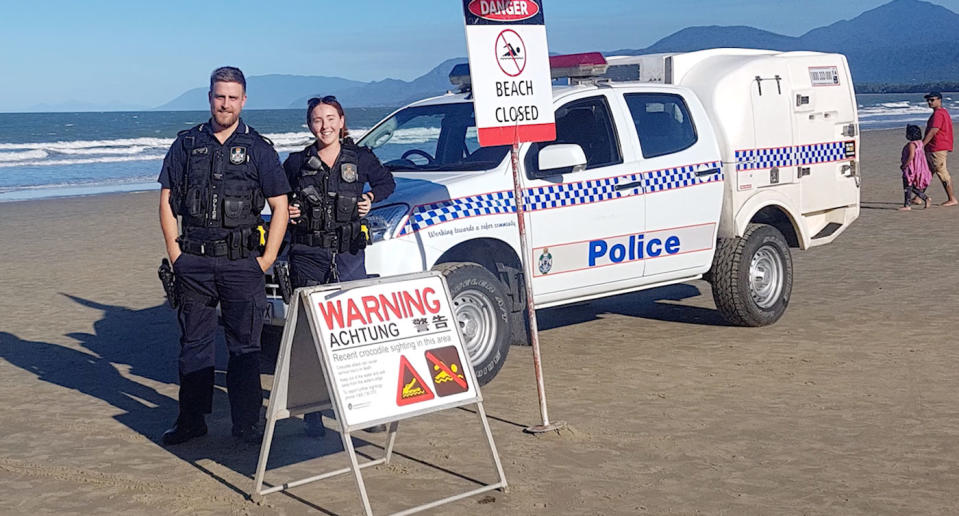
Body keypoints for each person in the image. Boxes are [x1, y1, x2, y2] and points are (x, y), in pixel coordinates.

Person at [158, 67, 290, 445]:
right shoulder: (186, 144)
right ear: (210, 97)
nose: (226, 104)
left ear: (243, 100)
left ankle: (246, 423)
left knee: (244, 348)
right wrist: (175, 253)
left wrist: (265, 260)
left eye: (233, 97)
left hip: (241, 264)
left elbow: (279, 207)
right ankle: (191, 420)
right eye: (220, 96)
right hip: (194, 262)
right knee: (194, 346)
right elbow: (167, 200)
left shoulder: (259, 148)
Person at [283, 95, 395, 437]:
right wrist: (288, 209)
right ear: (309, 125)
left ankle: (366, 408)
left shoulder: (360, 157)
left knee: (355, 334)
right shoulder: (296, 162)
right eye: (317, 120)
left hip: (348, 256)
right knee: (312, 337)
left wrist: (370, 199)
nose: (325, 126)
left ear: (342, 121)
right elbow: (274, 195)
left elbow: (386, 183)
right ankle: (313, 412)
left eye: (331, 118)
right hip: (308, 256)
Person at [922, 91, 957, 207]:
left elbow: (934, 130)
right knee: (927, 172)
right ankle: (918, 196)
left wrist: (921, 144)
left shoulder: (939, 114)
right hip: (934, 147)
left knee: (942, 172)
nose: (929, 102)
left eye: (932, 100)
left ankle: (952, 198)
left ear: (939, 100)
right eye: (928, 100)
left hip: (937, 147)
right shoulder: (941, 113)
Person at [899, 124, 932, 211]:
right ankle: (924, 198)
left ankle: (908, 204)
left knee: (907, 185)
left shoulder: (911, 144)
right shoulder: (920, 143)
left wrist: (904, 165)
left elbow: (911, 156)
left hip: (911, 167)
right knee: (910, 186)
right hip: (919, 166)